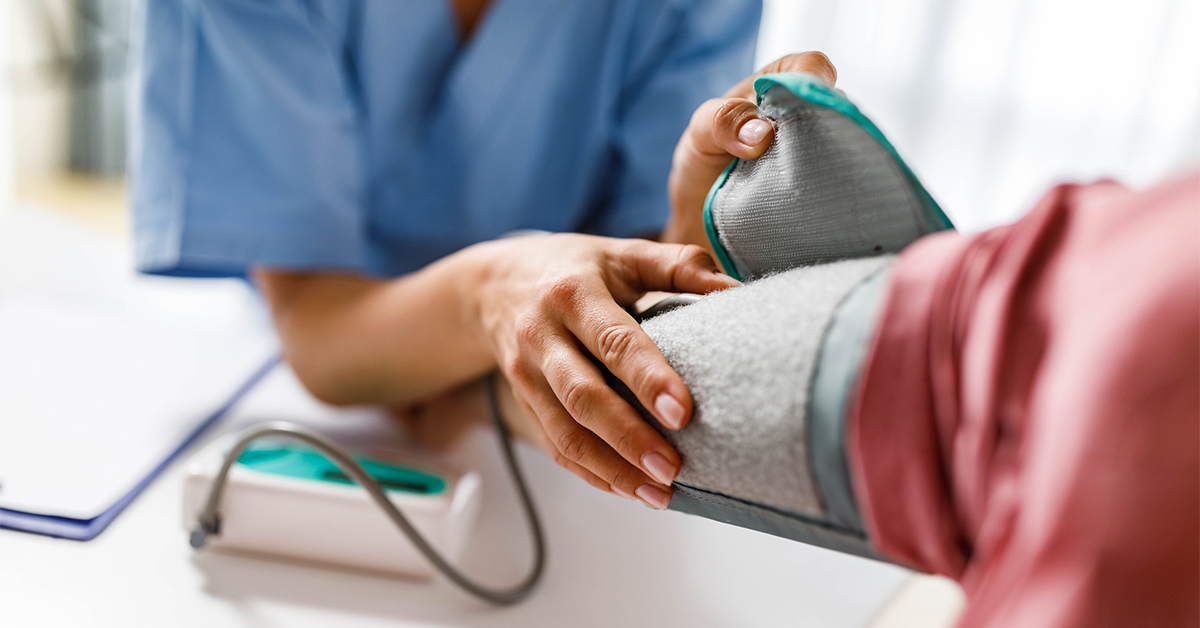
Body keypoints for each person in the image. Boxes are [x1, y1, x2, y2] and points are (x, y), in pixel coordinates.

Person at [423, 53, 1200, 627]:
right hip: (1026, 319)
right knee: (603, 378)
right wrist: (493, 291)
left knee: (605, 379)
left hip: (1020, 318)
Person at [129, 0, 764, 509]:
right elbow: (315, 326)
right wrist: (489, 292)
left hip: (575, 465)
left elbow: (655, 301)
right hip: (332, 425)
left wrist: (696, 211)